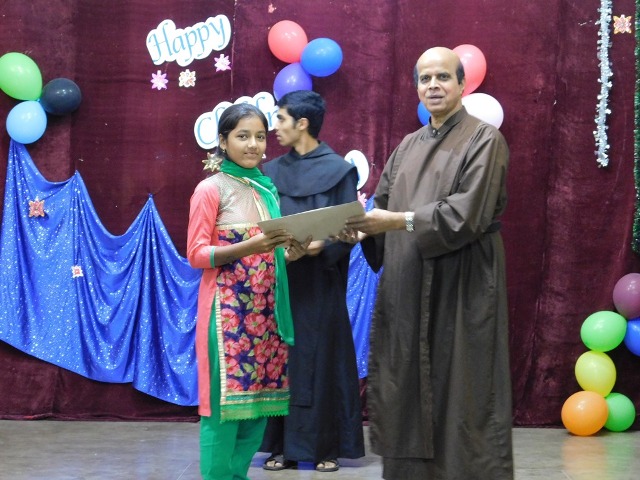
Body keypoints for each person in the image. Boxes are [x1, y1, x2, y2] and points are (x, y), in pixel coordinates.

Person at [343, 47, 514, 479]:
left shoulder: (484, 139)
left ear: (462, 84)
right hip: (407, 279)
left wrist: (398, 221)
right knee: (406, 386)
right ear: (417, 87)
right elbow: (381, 207)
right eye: (425, 79)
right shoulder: (407, 145)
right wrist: (359, 231)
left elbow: (467, 215)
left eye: (443, 77)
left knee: (462, 389)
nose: (433, 86)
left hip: (462, 282)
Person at [186, 103, 308, 480]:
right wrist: (247, 247)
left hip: (266, 318)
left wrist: (292, 253)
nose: (253, 144)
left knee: (256, 411)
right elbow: (196, 254)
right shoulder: (211, 189)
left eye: (259, 136)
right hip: (226, 319)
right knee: (223, 414)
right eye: (243, 136)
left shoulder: (266, 190)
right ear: (223, 141)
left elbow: (270, 256)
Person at [259, 90, 365, 473]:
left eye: (281, 119)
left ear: (302, 123)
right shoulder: (270, 172)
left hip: (321, 285)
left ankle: (325, 447)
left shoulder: (339, 170)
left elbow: (349, 230)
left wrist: (321, 245)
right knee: (281, 363)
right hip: (282, 283)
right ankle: (281, 447)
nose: (275, 127)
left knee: (321, 364)